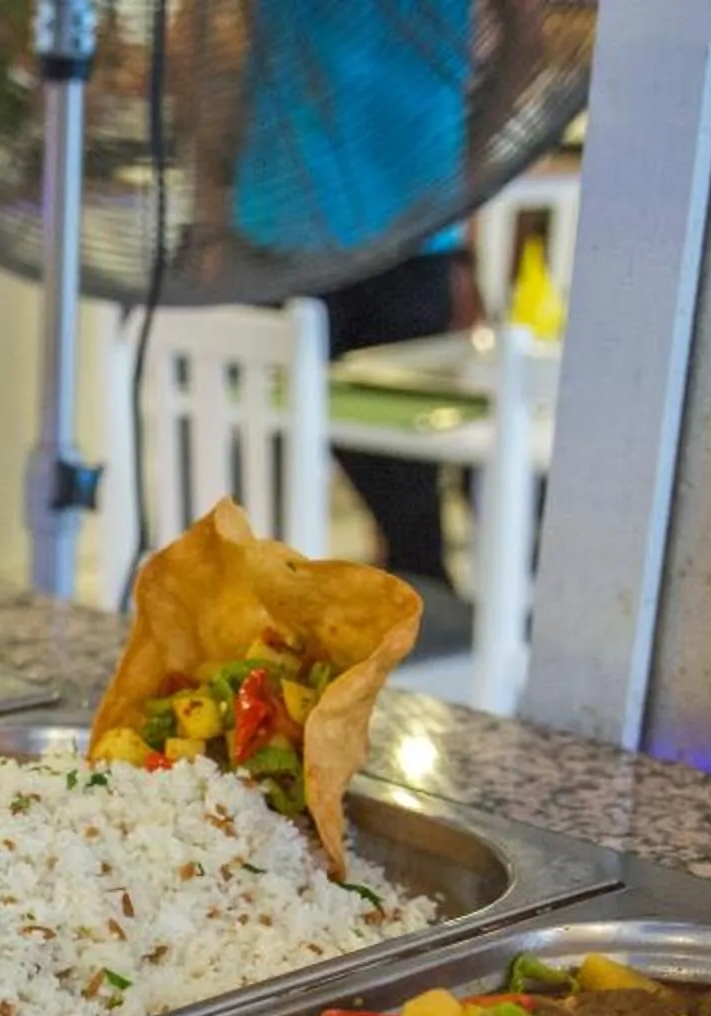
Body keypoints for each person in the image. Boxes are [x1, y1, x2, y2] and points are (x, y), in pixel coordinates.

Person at [185, 0, 512, 588]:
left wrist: (463, 185)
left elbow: (197, 36)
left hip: (382, 235)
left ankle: (393, 617)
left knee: (390, 498)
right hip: (297, 228)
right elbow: (201, 41)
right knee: (261, 501)